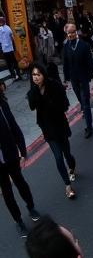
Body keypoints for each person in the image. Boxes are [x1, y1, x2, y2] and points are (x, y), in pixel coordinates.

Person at [27, 63, 76, 200]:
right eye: (33, 75)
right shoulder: (33, 91)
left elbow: (65, 105)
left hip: (60, 125)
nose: (35, 77)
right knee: (58, 157)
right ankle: (68, 185)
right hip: (48, 129)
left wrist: (52, 103)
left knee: (67, 154)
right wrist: (34, 91)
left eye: (38, 74)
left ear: (44, 75)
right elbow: (32, 107)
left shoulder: (54, 85)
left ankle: (72, 167)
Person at [0, 79, 40, 236]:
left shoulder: (2, 105)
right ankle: (18, 221)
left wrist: (22, 150)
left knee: (20, 182)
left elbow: (14, 126)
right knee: (7, 192)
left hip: (10, 155)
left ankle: (31, 207)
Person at [62, 23, 93, 138]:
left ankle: (89, 127)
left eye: (72, 32)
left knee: (85, 103)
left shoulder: (84, 45)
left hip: (84, 78)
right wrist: (66, 78)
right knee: (81, 101)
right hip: (73, 79)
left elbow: (90, 62)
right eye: (68, 33)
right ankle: (86, 112)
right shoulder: (66, 46)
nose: (70, 35)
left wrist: (91, 74)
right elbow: (65, 62)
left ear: (76, 33)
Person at [0, 14, 20, 81]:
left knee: (9, 64)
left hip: (5, 50)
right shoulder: (8, 27)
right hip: (10, 49)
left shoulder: (0, 29)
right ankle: (18, 74)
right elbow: (12, 37)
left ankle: (13, 75)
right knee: (14, 62)